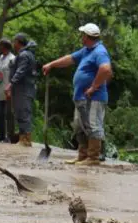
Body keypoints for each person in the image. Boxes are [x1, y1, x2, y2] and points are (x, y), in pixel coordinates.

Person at [43, 23, 113, 166]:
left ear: (88, 37)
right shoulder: (86, 50)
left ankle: (93, 157)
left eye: (83, 35)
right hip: (82, 98)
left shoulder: (100, 51)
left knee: (93, 125)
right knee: (80, 126)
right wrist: (51, 64)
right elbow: (69, 59)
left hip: (94, 98)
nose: (81, 37)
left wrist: (94, 87)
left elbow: (106, 69)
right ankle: (82, 156)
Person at [7, 33, 38, 147]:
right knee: (20, 112)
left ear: (18, 42)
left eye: (14, 41)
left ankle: (26, 139)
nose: (12, 44)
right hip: (21, 88)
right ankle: (22, 138)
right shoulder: (23, 54)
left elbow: (21, 71)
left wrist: (11, 84)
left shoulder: (24, 54)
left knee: (24, 112)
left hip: (24, 89)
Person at [0, 39, 15, 142]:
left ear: (5, 47)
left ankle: (9, 136)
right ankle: (1, 135)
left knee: (9, 114)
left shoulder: (12, 59)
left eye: (0, 46)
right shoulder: (1, 57)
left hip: (8, 91)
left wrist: (11, 88)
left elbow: (14, 75)